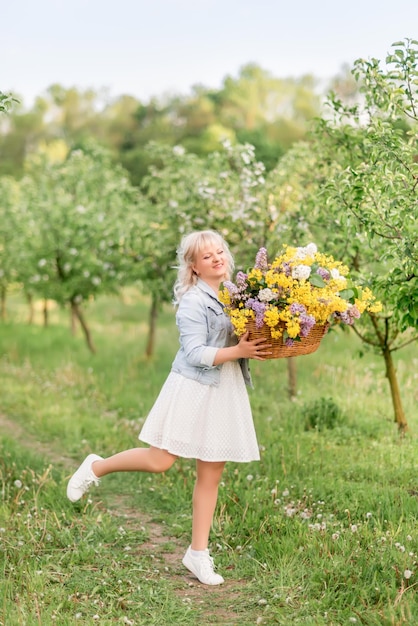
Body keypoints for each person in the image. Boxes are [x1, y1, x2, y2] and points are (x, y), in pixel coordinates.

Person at [67, 229, 271, 585]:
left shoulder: (234, 295)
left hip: (224, 388)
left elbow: (238, 334)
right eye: (207, 256)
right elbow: (195, 353)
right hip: (193, 387)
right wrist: (238, 351)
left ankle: (198, 554)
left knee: (211, 473)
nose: (217, 258)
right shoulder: (193, 301)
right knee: (160, 460)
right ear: (193, 266)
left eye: (220, 252)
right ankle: (96, 467)